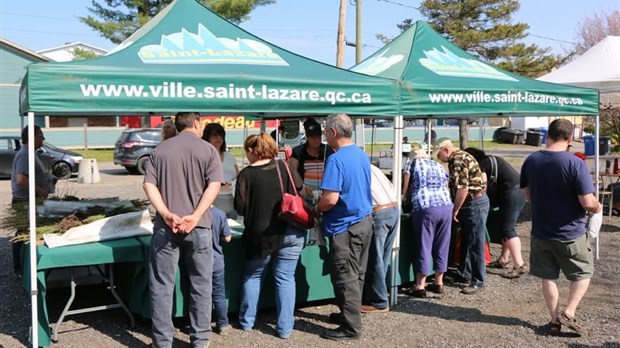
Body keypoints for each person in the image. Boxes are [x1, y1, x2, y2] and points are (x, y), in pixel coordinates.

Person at [143, 112, 223, 348]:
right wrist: (196, 215)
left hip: (165, 228)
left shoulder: (161, 150)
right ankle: (200, 339)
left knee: (161, 285)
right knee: (201, 284)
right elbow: (214, 185)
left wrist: (166, 214)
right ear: (197, 123)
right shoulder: (208, 151)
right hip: (198, 228)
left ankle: (163, 342)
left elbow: (148, 184)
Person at [520, 119, 601, 336]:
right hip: (570, 232)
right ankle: (570, 311)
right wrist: (597, 206)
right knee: (583, 273)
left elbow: (527, 194)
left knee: (549, 276)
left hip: (541, 231)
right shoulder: (575, 163)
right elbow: (587, 202)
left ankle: (554, 321)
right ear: (570, 138)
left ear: (548, 136)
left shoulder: (531, 160)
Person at [234, 133, 306, 339]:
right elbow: (299, 188)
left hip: (261, 234)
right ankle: (284, 329)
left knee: (253, 276)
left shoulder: (246, 175)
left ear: (251, 150)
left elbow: (239, 208)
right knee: (285, 279)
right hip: (291, 230)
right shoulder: (284, 166)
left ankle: (247, 322)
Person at [311, 113, 373, 341]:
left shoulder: (336, 160)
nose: (324, 134)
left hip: (345, 226)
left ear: (333, 132)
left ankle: (351, 328)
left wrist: (316, 209)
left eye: (325, 130)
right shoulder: (360, 154)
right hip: (363, 221)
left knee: (346, 276)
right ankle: (350, 315)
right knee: (356, 274)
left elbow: (330, 199)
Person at [435, 137, 489, 295]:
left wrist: (455, 209)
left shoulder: (457, 160)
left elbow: (462, 189)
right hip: (476, 201)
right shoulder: (461, 156)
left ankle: (478, 280)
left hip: (473, 202)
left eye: (439, 154)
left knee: (474, 242)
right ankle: (465, 273)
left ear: (446, 150)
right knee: (467, 239)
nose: (439, 158)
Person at [464, 147, 528, 279]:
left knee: (508, 229)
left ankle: (519, 264)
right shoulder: (491, 160)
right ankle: (503, 259)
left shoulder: (481, 165)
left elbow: (483, 185)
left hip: (512, 193)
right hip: (517, 191)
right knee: (506, 227)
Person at [402, 148, 452, 297]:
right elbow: (447, 184)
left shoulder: (411, 163)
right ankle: (438, 282)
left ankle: (420, 285)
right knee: (442, 245)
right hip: (446, 205)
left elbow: (405, 189)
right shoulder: (437, 165)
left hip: (425, 206)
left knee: (424, 245)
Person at [11, 125, 55, 277]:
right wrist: (40, 191)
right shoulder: (24, 155)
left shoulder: (31, 153)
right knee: (22, 234)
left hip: (30, 200)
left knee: (26, 233)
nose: (43, 139)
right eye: (41, 136)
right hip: (24, 201)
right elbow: (21, 179)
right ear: (32, 137)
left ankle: (25, 265)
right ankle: (18, 268)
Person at [361, 164, 399, 312]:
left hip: (379, 211)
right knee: (382, 258)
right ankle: (376, 295)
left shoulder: (355, 167)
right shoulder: (372, 167)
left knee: (375, 259)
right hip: (393, 208)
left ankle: (379, 301)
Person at [289, 118, 334, 203]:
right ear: (307, 137)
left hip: (324, 196)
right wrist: (301, 187)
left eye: (318, 137)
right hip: (304, 197)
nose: (316, 140)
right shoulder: (298, 152)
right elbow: (291, 169)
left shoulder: (328, 150)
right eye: (313, 137)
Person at [210, 205, 232, 336]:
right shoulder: (219, 213)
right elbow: (228, 238)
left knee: (199, 295)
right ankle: (223, 324)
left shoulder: (192, 213)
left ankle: (200, 324)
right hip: (216, 261)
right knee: (219, 294)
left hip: (198, 262)